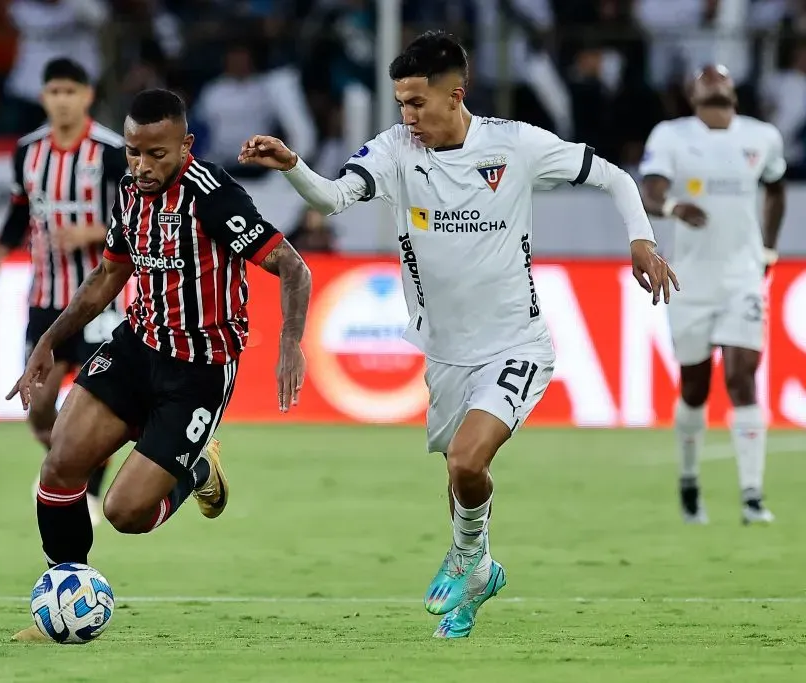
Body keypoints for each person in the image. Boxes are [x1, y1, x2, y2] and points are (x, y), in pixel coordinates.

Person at [238, 31, 677, 639]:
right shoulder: (394, 150)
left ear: (455, 95)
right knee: (460, 476)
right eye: (401, 103)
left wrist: (641, 239)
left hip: (515, 344)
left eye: (418, 102)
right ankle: (479, 577)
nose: (407, 116)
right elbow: (334, 198)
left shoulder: (515, 145)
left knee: (470, 460)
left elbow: (615, 178)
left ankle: (467, 558)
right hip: (444, 353)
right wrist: (293, 166)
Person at [7, 88, 312, 641]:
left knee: (125, 514)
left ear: (185, 146)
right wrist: (48, 341)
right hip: (136, 349)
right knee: (59, 468)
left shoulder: (214, 196)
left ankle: (197, 469)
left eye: (157, 154)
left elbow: (293, 267)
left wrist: (291, 343)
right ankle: (63, 596)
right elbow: (108, 275)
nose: (143, 166)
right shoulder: (130, 192)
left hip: (197, 371)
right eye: (133, 152)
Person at [0, 57, 127, 526]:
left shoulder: (112, 152)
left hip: (101, 300)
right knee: (40, 408)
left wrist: (91, 234)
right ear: (43, 97)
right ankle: (73, 464)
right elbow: (19, 209)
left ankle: (87, 489)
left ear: (87, 96)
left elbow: (137, 218)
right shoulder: (28, 152)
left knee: (98, 401)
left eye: (70, 92)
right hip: (45, 298)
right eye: (54, 92)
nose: (62, 100)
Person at [639, 65, 786, 526]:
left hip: (742, 278)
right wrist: (672, 207)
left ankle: (752, 497)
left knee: (742, 378)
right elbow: (650, 191)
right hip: (690, 282)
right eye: (705, 80)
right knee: (695, 386)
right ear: (692, 94)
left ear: (734, 92)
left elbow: (776, 189)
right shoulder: (672, 135)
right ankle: (689, 483)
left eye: (720, 79)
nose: (714, 83)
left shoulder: (762, 137)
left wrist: (768, 249)